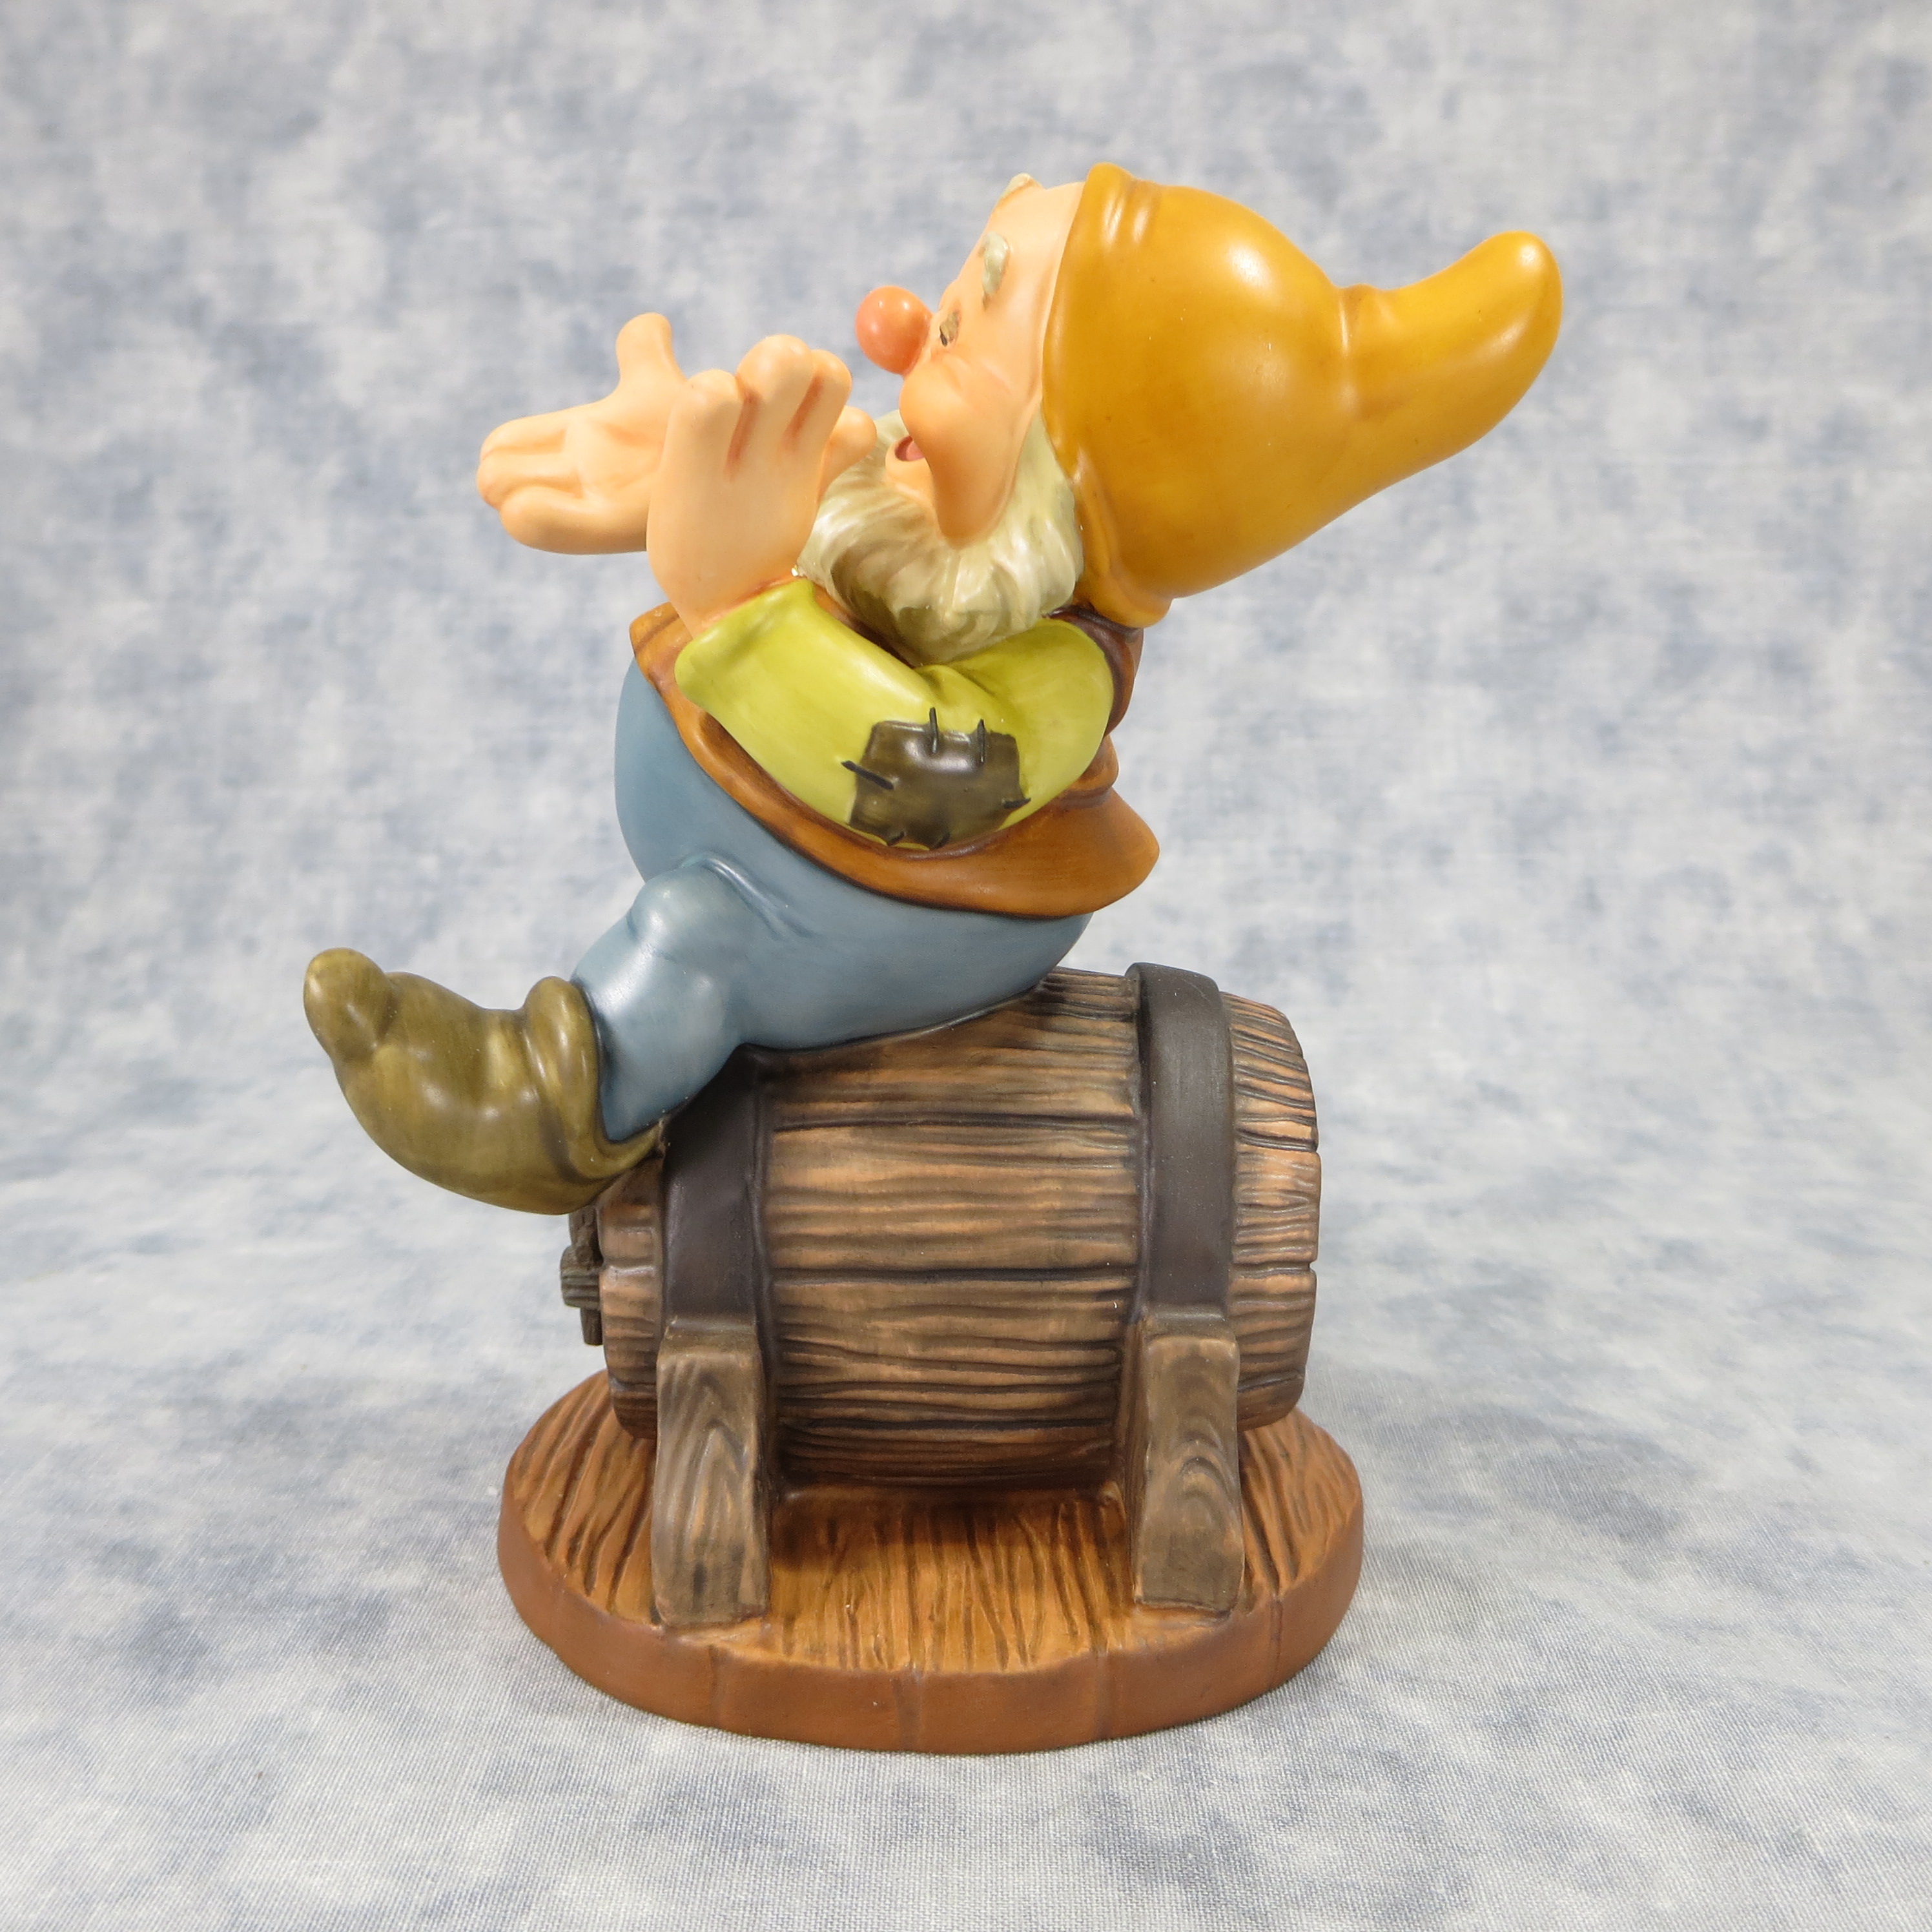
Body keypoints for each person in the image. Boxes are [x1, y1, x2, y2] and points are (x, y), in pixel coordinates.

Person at [303, 165, 1562, 1213]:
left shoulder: (1054, 673)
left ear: (1075, 474)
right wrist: (678, 471)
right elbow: (784, 525)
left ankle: (544, 1103)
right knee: (703, 903)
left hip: (898, 913)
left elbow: (921, 777)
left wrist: (735, 601)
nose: (894, 330)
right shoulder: (914, 540)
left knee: (703, 933)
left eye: (960, 338)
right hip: (784, 851)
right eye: (940, 306)